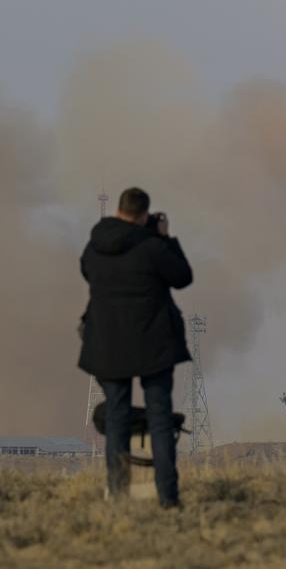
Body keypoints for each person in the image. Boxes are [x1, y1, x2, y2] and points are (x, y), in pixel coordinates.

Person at [78, 188, 193, 507]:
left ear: (118, 210)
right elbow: (183, 277)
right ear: (144, 216)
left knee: (116, 418)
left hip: (107, 346)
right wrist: (166, 238)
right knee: (159, 418)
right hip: (152, 346)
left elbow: (87, 272)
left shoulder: (94, 248)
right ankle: (168, 497)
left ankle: (117, 493)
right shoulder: (153, 248)